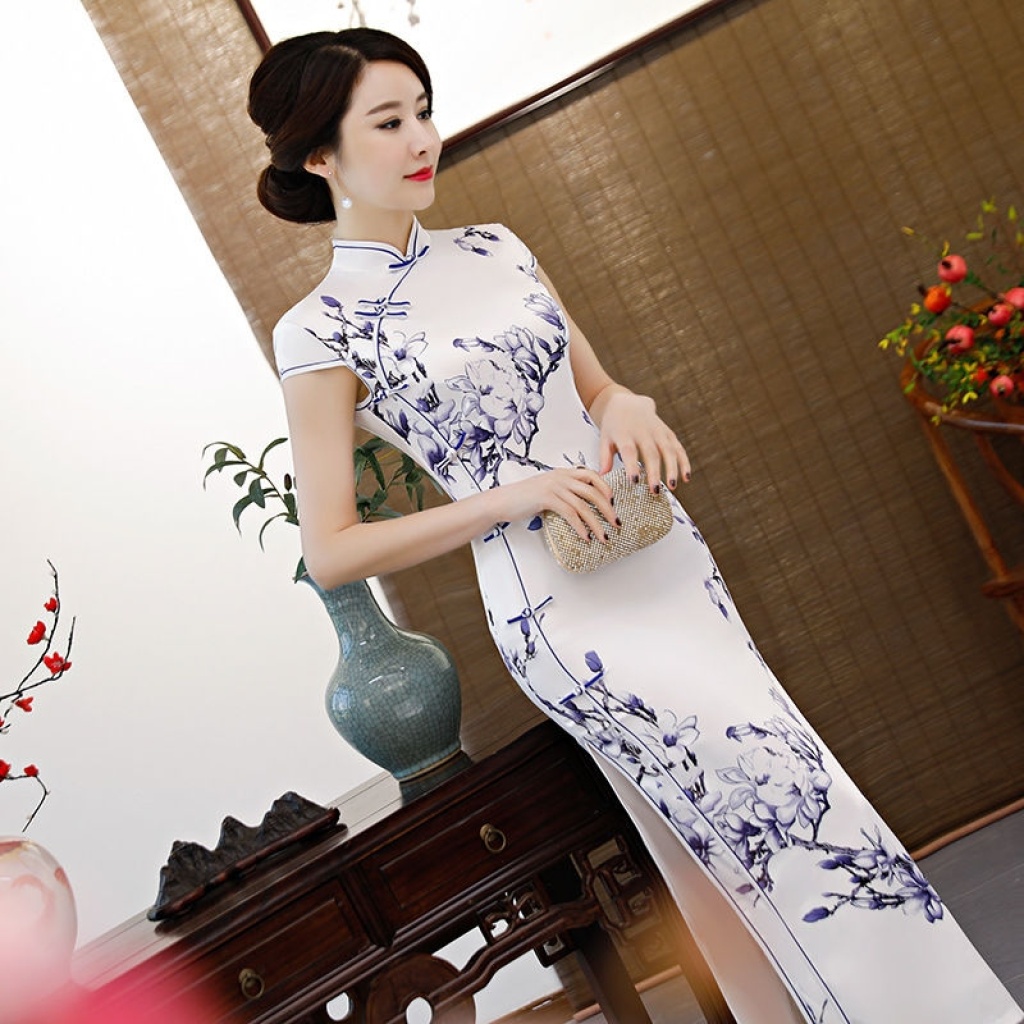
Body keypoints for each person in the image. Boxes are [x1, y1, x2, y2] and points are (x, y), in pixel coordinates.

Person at [248, 28, 1022, 1024]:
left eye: (424, 112)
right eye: (388, 122)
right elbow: (331, 548)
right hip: (562, 609)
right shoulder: (318, 329)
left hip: (658, 555)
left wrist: (628, 407)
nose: (422, 139)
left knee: (728, 830)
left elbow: (599, 387)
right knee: (775, 801)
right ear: (319, 154)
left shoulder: (496, 248)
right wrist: (509, 497)